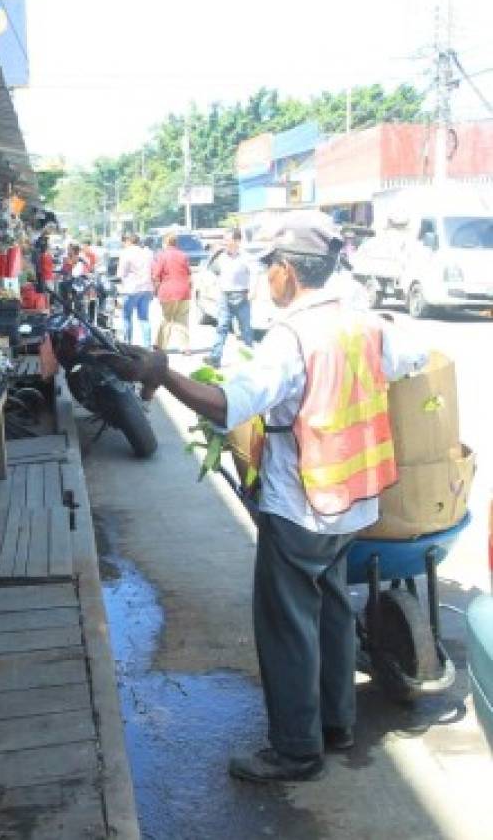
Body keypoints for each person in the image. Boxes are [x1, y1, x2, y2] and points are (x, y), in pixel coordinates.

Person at [110, 211, 427, 783]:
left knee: (286, 626)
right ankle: (336, 725)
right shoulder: (366, 323)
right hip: (356, 500)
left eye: (268, 271)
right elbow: (416, 362)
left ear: (286, 271)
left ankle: (296, 751)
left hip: (304, 500)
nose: (264, 281)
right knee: (330, 609)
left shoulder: (295, 336)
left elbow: (230, 403)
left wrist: (163, 375)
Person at [207, 227, 255, 366]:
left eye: (228, 239)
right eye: (225, 240)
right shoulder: (221, 256)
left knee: (245, 328)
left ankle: (250, 359)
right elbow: (214, 273)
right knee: (222, 326)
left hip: (242, 295)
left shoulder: (246, 257)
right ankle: (215, 358)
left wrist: (253, 291)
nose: (225, 242)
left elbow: (255, 274)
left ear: (237, 241)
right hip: (225, 296)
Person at [151, 231, 192, 352]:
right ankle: (185, 347)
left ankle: (160, 346)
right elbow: (189, 273)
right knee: (182, 320)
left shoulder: (162, 256)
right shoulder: (183, 255)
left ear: (165, 243)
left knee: (167, 319)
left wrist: (156, 289)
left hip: (168, 291)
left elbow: (156, 275)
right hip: (184, 291)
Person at [117, 233, 155, 347]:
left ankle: (128, 345)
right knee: (144, 318)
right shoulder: (148, 253)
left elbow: (120, 273)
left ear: (128, 241)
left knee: (127, 317)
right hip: (147, 288)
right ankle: (147, 346)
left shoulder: (125, 253)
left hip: (131, 289)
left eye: (124, 241)